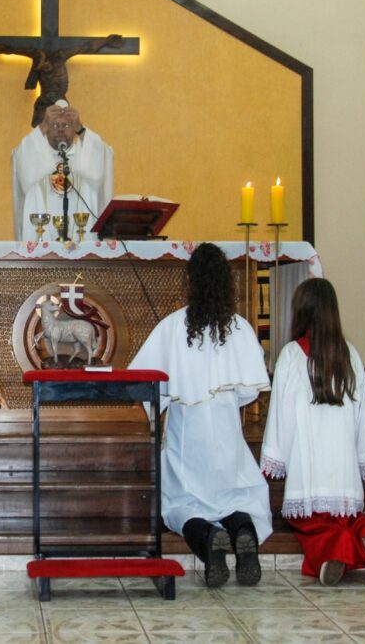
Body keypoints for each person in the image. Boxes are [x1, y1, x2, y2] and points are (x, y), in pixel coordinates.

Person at [128, 242, 272, 587]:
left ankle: (208, 539)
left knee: (179, 503)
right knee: (236, 496)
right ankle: (243, 531)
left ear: (191, 280)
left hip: (187, 434)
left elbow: (142, 382)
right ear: (226, 282)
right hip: (226, 430)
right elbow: (250, 390)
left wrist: (164, 404)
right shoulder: (239, 328)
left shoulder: (173, 326)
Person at [260, 278, 365, 587]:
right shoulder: (350, 355)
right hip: (344, 473)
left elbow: (280, 418)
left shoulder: (291, 356)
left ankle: (336, 551)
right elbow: (364, 417)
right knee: (348, 517)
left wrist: (272, 462)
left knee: (311, 524)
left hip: (308, 473)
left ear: (301, 311)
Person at [0, 31, 124, 126]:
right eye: (41, 68)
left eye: (45, 67)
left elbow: (86, 47)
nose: (44, 70)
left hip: (60, 98)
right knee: (38, 128)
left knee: (66, 130)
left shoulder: (61, 55)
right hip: (45, 98)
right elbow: (9, 49)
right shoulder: (36, 55)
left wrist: (106, 41)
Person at [12, 99, 113, 242]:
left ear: (74, 129)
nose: (60, 129)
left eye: (66, 125)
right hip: (41, 240)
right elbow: (19, 158)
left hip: (82, 239)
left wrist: (81, 128)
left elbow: (104, 156)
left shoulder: (84, 154)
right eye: (54, 125)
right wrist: (43, 125)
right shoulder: (35, 155)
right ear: (46, 130)